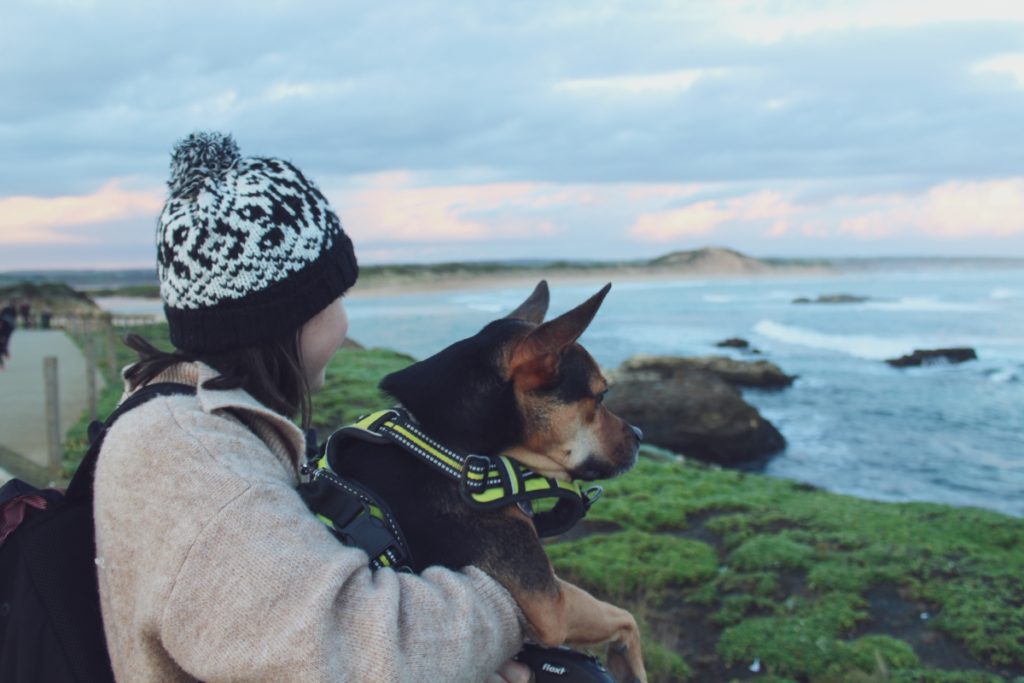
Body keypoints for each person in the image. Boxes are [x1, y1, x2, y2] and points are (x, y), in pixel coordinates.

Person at [94, 132, 529, 682]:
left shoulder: (178, 420)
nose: (345, 323)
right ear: (283, 317)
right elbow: (355, 653)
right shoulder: (204, 466)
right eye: (335, 298)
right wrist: (514, 601)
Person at [0, 302, 16, 368]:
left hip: (7, 328)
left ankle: (5, 351)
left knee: (4, 342)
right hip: (7, 326)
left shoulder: (8, 323)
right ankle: (2, 360)